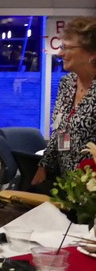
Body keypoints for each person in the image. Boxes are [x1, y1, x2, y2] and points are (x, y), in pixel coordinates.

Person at [33, 17, 96, 191]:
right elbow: (60, 131)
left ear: (92, 53)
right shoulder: (67, 83)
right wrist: (44, 165)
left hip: (90, 186)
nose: (60, 53)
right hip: (66, 182)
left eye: (67, 48)